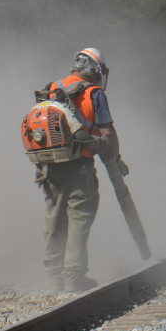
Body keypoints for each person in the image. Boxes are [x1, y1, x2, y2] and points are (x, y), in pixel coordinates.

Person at [36, 47, 123, 292]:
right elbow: (106, 132)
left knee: (54, 218)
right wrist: (115, 159)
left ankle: (53, 277)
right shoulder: (94, 93)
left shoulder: (51, 87)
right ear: (95, 70)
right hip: (80, 165)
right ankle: (74, 275)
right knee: (80, 217)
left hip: (51, 165)